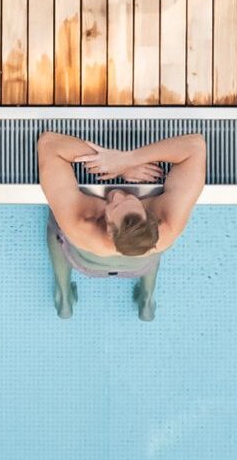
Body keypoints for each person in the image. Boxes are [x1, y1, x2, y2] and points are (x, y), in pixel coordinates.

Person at [33, 129, 209, 321]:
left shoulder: (79, 224)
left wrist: (113, 162)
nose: (118, 193)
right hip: (140, 265)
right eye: (130, 199)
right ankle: (147, 299)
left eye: (114, 205)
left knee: (57, 231)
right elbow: (195, 146)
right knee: (152, 253)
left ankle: (64, 294)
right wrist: (126, 162)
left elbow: (49, 144)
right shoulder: (167, 227)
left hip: (88, 263)